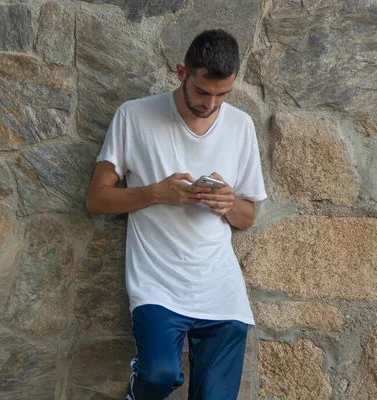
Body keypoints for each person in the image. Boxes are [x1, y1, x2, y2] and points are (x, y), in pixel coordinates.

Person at [85, 30, 267, 400]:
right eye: (202, 91)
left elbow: (247, 217)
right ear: (182, 72)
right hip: (157, 284)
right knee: (158, 375)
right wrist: (155, 193)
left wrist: (227, 203)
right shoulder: (134, 116)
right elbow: (96, 199)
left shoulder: (240, 126)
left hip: (220, 287)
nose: (211, 103)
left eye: (222, 95)